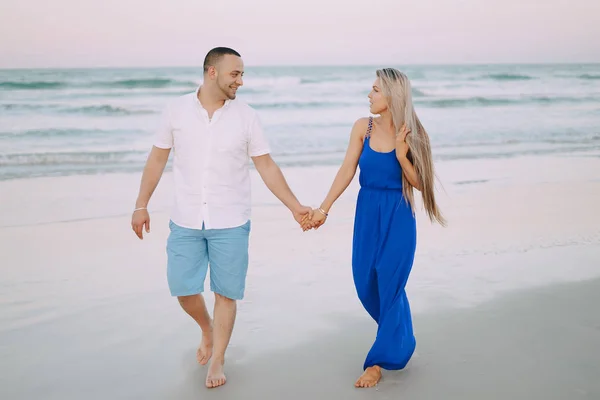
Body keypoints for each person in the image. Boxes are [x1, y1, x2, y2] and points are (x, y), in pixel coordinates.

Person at [131, 47, 312, 389]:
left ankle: (218, 358)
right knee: (183, 289)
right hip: (185, 218)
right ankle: (206, 328)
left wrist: (294, 205)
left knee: (226, 293)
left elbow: (266, 166)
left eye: (242, 74)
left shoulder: (247, 117)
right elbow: (156, 160)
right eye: (235, 74)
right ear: (212, 72)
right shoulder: (176, 110)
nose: (240, 81)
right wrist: (141, 204)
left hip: (231, 219)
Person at [303, 68, 446, 388]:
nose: (369, 95)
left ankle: (377, 362)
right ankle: (402, 339)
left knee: (390, 283)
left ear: (393, 95)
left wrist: (401, 153)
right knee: (365, 281)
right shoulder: (362, 127)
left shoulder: (414, 132)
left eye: (376, 90)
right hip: (367, 213)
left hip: (398, 215)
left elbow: (421, 184)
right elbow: (346, 170)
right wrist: (323, 209)